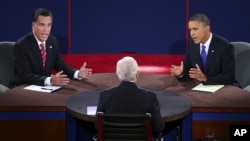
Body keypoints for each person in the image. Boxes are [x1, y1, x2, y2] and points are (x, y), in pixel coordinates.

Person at [9, 8, 92, 88]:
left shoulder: (53, 41)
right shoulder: (22, 45)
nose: (46, 30)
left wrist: (77, 73)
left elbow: (61, 66)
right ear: (33, 25)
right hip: (22, 87)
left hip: (43, 87)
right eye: (42, 25)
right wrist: (50, 80)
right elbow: (23, 75)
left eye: (49, 25)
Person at [95, 56, 164, 137]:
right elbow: (159, 127)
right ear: (137, 74)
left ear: (118, 74)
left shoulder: (105, 95)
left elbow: (97, 126)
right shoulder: (150, 97)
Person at [170, 13, 235, 85]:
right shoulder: (192, 45)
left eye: (195, 29)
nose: (192, 34)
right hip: (200, 88)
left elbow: (229, 78)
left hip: (221, 88)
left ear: (207, 28)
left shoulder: (224, 46)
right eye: (190, 30)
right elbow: (189, 72)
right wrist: (181, 73)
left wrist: (205, 78)